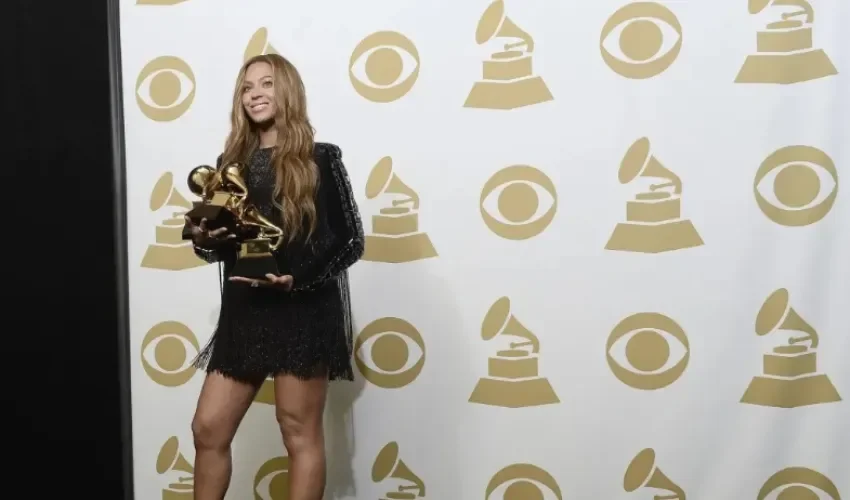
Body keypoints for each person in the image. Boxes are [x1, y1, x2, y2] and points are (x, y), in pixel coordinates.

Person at [182, 53, 365, 500]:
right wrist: (206, 235)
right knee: (208, 428)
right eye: (247, 88)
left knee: (297, 432)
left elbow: (349, 241)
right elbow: (221, 248)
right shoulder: (230, 162)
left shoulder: (320, 158)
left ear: (287, 92)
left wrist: (295, 280)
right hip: (246, 311)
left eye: (266, 84)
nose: (255, 95)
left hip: (301, 308)